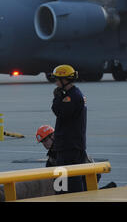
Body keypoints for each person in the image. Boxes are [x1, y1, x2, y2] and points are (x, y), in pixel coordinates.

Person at [36, 124, 116, 190]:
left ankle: (108, 189)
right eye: (42, 142)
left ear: (53, 136)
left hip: (88, 173)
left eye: (45, 140)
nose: (44, 144)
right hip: (78, 174)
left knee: (80, 195)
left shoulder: (64, 147)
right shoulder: (52, 154)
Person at [50, 65, 87, 193]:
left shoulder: (71, 97)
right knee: (68, 179)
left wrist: (57, 98)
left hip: (69, 145)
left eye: (57, 79)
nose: (55, 82)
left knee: (69, 181)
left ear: (64, 80)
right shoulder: (74, 94)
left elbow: (59, 111)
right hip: (72, 144)